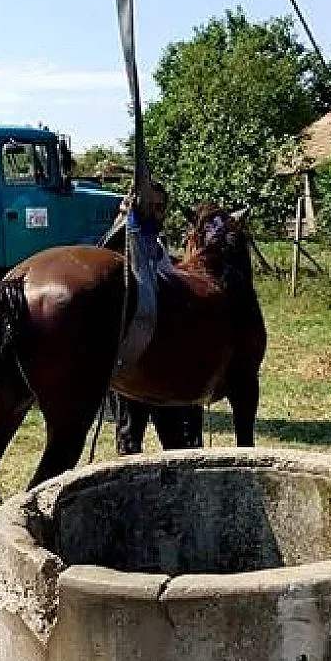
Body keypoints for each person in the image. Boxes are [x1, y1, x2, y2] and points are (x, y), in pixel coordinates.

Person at [114, 180, 204, 455]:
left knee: (175, 435)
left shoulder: (158, 244)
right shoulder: (124, 240)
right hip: (134, 356)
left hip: (167, 356)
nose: (158, 212)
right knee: (130, 436)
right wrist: (125, 219)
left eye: (161, 207)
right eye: (152, 206)